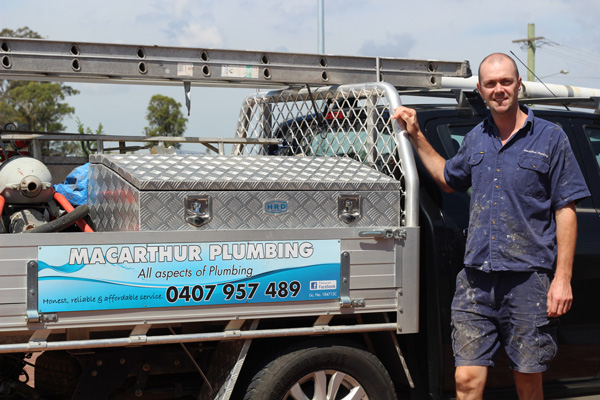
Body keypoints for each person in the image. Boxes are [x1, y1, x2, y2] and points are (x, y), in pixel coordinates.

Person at [392, 53, 590, 400]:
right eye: (490, 84)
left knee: (527, 381)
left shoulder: (550, 138)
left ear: (519, 85)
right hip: (476, 281)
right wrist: (417, 135)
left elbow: (566, 209)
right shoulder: (475, 139)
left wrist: (562, 278)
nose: (499, 89)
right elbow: (448, 179)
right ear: (481, 91)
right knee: (466, 379)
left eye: (506, 81)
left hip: (528, 280)